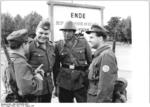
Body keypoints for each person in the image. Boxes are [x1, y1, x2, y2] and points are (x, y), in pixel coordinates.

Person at [54, 21, 92, 102]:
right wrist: (56, 84)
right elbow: (56, 67)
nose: (66, 33)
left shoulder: (83, 42)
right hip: (64, 81)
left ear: (74, 32)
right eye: (64, 31)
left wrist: (88, 79)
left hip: (80, 80)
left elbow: (90, 62)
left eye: (69, 31)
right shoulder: (58, 45)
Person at [4, 29, 44, 102]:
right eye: (28, 43)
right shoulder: (20, 62)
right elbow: (27, 90)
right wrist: (38, 77)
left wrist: (33, 73)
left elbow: (17, 79)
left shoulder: (12, 59)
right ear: (23, 44)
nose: (29, 45)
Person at [86, 24, 118, 102]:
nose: (89, 40)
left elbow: (106, 86)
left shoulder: (106, 55)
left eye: (91, 37)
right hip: (93, 97)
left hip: (98, 100)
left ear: (100, 38)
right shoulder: (99, 55)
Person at [27, 20, 55, 102]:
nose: (43, 36)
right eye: (40, 33)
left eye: (46, 34)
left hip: (48, 86)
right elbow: (22, 67)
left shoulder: (52, 46)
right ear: (36, 32)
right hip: (35, 87)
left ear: (49, 33)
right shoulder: (29, 46)